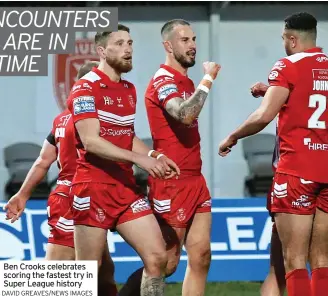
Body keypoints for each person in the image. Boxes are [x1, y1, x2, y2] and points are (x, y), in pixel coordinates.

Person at [219, 12, 328, 296]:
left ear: (291, 39)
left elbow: (264, 116)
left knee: (293, 262)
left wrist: (233, 135)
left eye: (283, 39)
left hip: (297, 170)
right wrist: (271, 90)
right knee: (322, 261)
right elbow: (313, 103)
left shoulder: (287, 66)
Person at [66, 24, 180, 296]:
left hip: (125, 188)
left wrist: (153, 154)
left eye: (130, 43)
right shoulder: (85, 87)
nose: (128, 48)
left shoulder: (128, 88)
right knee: (89, 278)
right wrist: (140, 161)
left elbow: (125, 135)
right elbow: (92, 141)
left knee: (158, 259)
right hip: (92, 189)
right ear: (102, 51)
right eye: (120, 43)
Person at [120, 19, 221, 296]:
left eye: (193, 39)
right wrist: (209, 78)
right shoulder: (164, 80)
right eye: (185, 40)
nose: (192, 46)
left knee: (201, 256)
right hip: (172, 181)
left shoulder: (185, 80)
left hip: (195, 180)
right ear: (168, 45)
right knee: (167, 262)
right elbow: (185, 114)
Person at [3, 61, 118, 296]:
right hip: (75, 198)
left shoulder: (61, 120)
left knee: (104, 274)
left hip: (89, 198)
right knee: (58, 279)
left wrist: (23, 194)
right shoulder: (95, 120)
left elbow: (43, 160)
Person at [251, 81, 328, 296]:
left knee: (282, 270)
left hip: (292, 183)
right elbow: (318, 158)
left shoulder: (297, 108)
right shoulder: (303, 111)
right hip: (297, 187)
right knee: (310, 264)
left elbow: (314, 154)